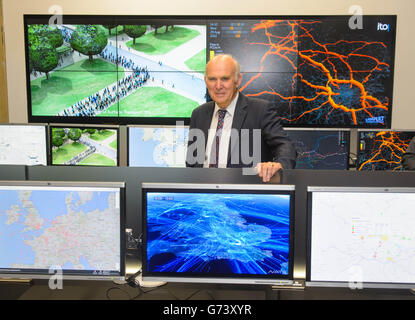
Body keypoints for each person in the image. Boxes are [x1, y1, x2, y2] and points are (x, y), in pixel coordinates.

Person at [186, 54, 297, 182]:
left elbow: (285, 146)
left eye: (225, 79)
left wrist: (278, 165)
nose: (218, 86)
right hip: (204, 195)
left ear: (238, 80)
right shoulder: (198, 114)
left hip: (244, 196)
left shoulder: (260, 110)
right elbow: (192, 164)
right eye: (212, 79)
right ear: (205, 81)